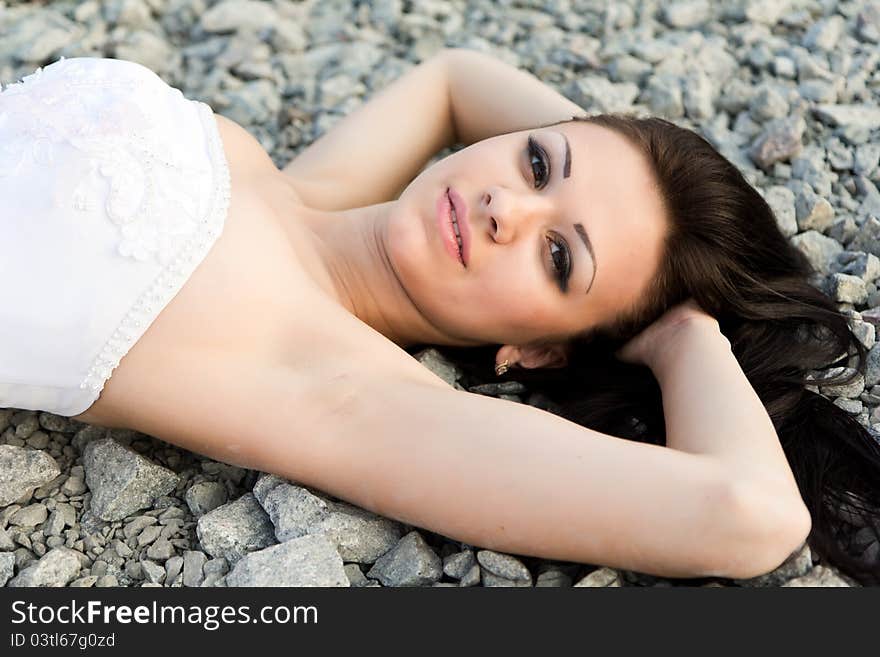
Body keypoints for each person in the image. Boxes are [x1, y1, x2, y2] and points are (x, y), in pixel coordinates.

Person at [1, 48, 877, 585]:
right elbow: (455, 75)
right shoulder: (292, 187)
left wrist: (684, 327)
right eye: (538, 163)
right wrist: (634, 167)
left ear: (537, 348)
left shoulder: (335, 381)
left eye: (560, 256)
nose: (508, 209)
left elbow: (752, 511)